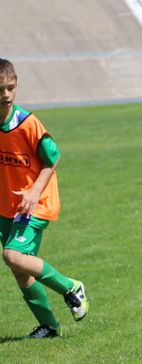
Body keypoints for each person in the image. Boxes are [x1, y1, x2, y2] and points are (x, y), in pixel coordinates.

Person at [0, 59, 89, 338]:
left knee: (12, 256)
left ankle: (71, 287)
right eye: (0, 89)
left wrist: (35, 190)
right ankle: (49, 327)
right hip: (6, 206)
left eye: (10, 88)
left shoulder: (27, 124)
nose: (5, 94)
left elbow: (53, 157)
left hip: (35, 204)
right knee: (20, 270)